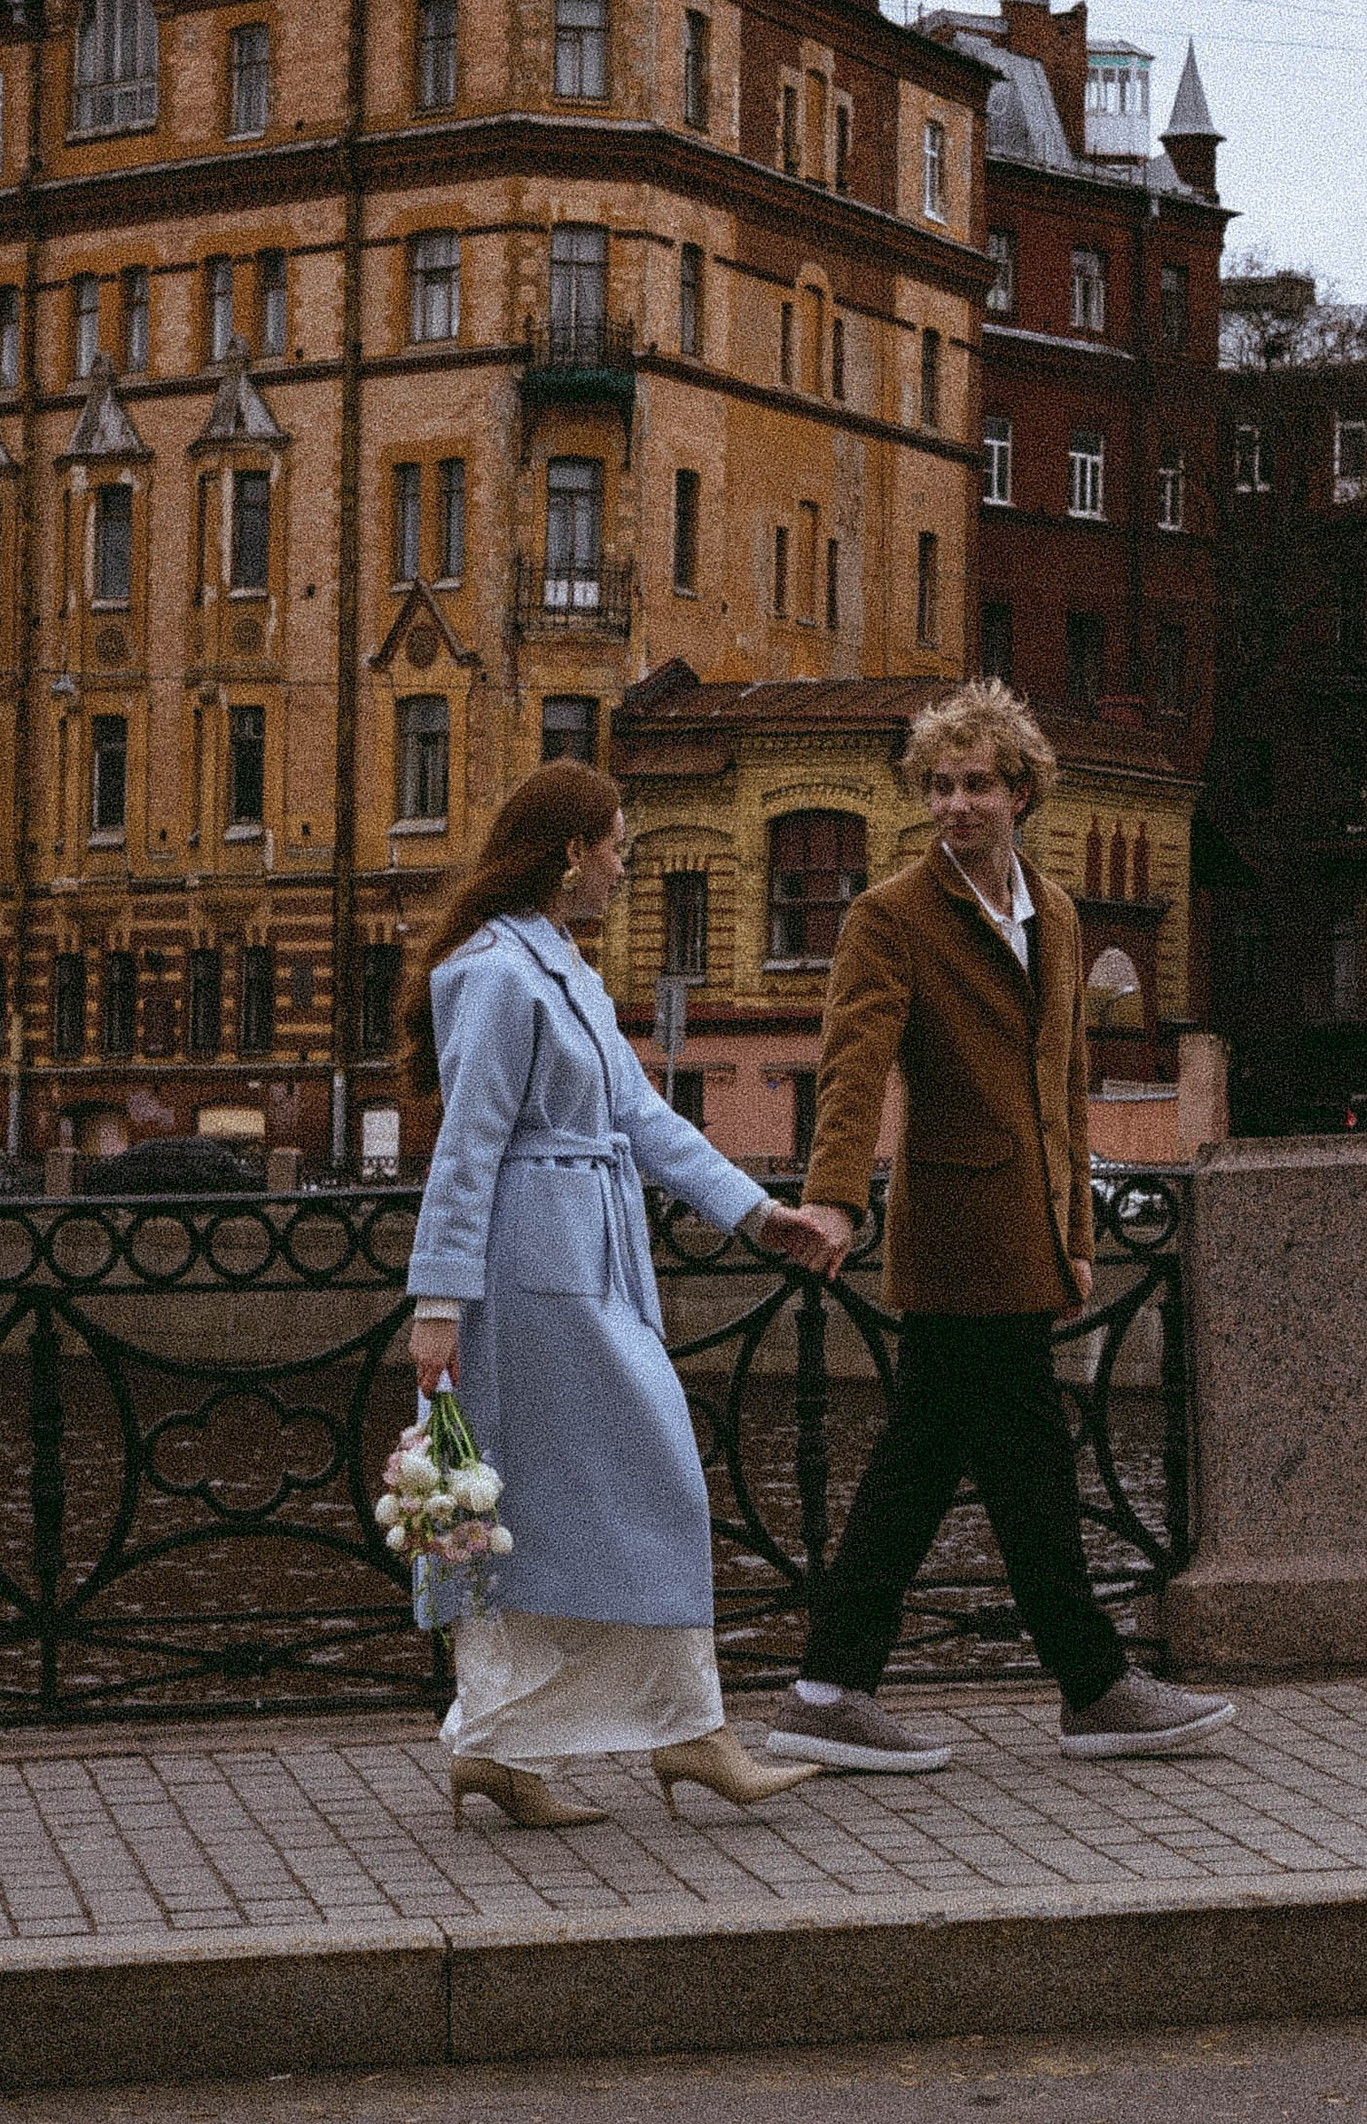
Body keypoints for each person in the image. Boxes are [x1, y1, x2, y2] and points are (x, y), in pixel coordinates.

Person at [764, 678, 1233, 1774]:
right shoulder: (891, 916)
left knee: (947, 1465)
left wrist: (1076, 1235)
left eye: (976, 783)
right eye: (939, 786)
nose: (955, 805)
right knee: (1012, 1465)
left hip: (1026, 1237)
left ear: (1022, 792)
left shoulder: (1056, 913)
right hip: (955, 1239)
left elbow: (1064, 1087)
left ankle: (837, 1688)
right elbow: (853, 1064)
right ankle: (1087, 1686)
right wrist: (835, 1194)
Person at [401, 761, 823, 1830]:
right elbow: (467, 1145)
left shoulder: (566, 971)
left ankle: (551, 1743)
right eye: (616, 846)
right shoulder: (498, 974)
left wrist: (752, 1211)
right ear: (570, 852)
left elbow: (642, 1119)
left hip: (583, 1260)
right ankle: (628, 1735)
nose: (624, 866)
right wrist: (438, 1300)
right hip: (532, 1274)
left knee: (590, 1501)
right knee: (569, 1498)